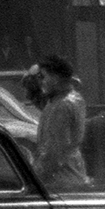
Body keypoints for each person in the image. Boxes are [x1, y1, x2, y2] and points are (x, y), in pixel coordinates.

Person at [32, 55, 89, 188]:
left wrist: (34, 178)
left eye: (43, 77)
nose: (41, 82)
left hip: (60, 182)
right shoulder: (72, 98)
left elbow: (54, 152)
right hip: (72, 175)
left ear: (56, 78)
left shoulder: (62, 105)